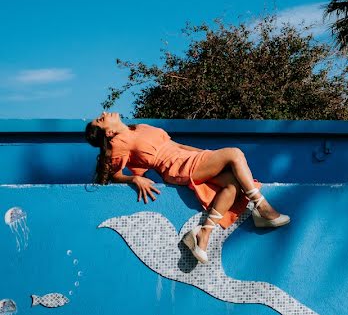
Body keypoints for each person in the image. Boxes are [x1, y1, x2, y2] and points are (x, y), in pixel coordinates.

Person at [85, 112, 289, 264]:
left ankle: (203, 234)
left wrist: (208, 154)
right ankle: (262, 208)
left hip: (189, 158)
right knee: (234, 153)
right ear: (109, 132)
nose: (104, 113)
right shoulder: (117, 145)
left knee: (233, 185)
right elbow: (112, 174)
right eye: (101, 120)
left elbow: (178, 145)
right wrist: (134, 180)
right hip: (175, 167)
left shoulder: (140, 127)